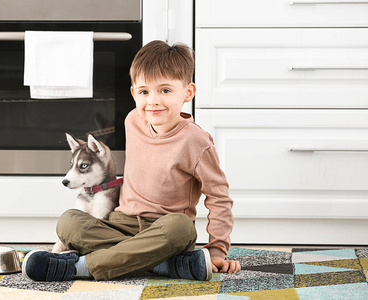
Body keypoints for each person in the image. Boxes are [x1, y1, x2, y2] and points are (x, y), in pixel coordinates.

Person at [22, 40, 241, 282]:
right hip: (121, 223)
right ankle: (163, 265)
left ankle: (79, 267)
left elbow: (219, 196)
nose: (153, 101)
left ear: (188, 92)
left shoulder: (196, 141)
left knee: (182, 227)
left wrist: (217, 249)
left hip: (164, 230)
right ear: (134, 92)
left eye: (165, 91)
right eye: (144, 91)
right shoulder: (133, 120)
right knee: (69, 222)